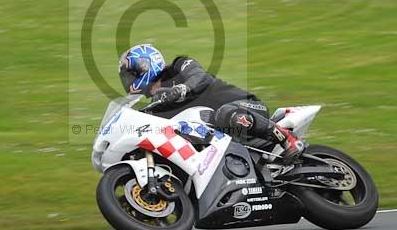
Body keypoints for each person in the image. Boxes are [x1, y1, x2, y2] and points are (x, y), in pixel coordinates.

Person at [118, 44, 304, 163]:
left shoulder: (180, 65)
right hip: (222, 136)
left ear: (145, 65)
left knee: (224, 113)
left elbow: (200, 77)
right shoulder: (157, 104)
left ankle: (287, 138)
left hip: (244, 107)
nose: (128, 82)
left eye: (130, 75)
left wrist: (182, 88)